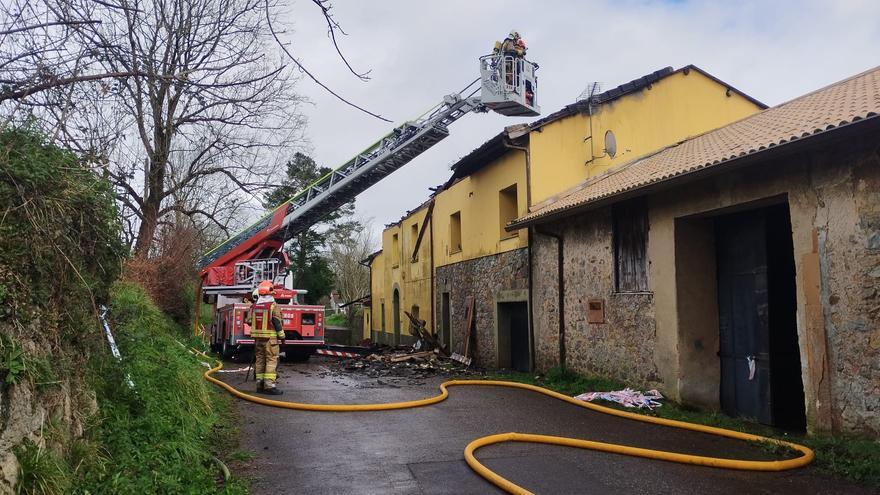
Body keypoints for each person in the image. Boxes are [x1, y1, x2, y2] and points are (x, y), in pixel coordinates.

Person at [248, 280, 285, 395]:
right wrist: (282, 336)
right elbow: (276, 322)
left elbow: (249, 321)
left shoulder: (254, 306)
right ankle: (269, 386)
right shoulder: (273, 306)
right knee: (271, 360)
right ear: (271, 292)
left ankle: (259, 385)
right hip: (270, 340)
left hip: (258, 340)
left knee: (260, 360)